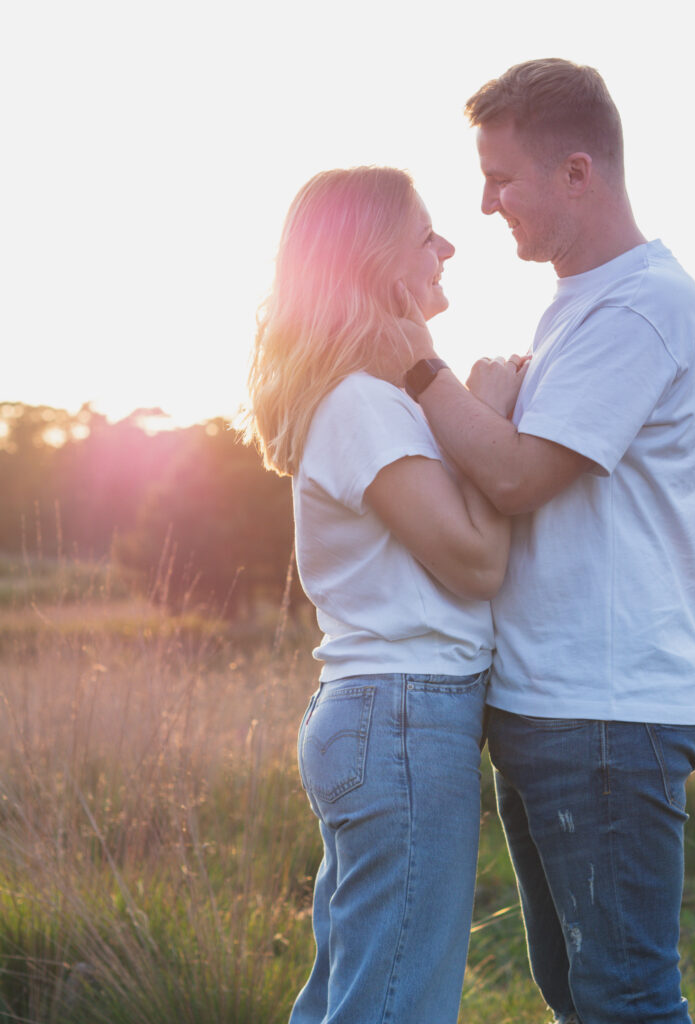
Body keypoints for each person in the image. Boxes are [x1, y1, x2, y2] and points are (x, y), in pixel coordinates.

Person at [397, 59, 695, 1024]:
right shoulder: (579, 303)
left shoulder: (644, 303)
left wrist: (419, 369)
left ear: (577, 172)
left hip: (608, 714)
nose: (486, 203)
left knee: (623, 998)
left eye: (502, 178)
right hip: (555, 705)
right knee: (575, 994)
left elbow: (514, 477)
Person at [241, 166, 521, 1024]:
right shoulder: (362, 406)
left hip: (387, 715)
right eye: (424, 234)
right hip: (403, 718)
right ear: (373, 262)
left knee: (352, 996)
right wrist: (490, 415)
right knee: (394, 1004)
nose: (446, 247)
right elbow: (475, 562)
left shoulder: (373, 401)